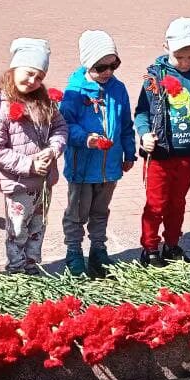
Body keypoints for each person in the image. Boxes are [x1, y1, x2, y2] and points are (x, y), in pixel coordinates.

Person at [134, 17, 190, 266]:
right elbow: (141, 111)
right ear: (166, 48)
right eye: (179, 57)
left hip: (188, 154)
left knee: (177, 203)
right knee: (156, 203)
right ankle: (149, 248)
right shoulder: (154, 77)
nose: (184, 63)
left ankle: (171, 245)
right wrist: (144, 133)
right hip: (160, 153)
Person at [0, 38, 67, 274]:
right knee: (18, 229)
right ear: (14, 68)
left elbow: (60, 127)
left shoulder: (44, 101)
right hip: (19, 182)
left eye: (39, 77)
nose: (33, 81)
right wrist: (30, 165)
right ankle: (16, 269)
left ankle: (32, 266)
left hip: (43, 181)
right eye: (29, 73)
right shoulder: (1, 105)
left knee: (38, 227)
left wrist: (53, 149)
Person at [61, 30, 136, 277]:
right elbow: (65, 125)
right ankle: (73, 251)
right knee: (77, 213)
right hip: (84, 166)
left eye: (113, 65)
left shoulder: (118, 88)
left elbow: (126, 123)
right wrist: (87, 139)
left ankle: (98, 250)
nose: (107, 72)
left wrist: (129, 152)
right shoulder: (75, 91)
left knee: (100, 211)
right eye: (100, 67)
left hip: (110, 166)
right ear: (87, 64)